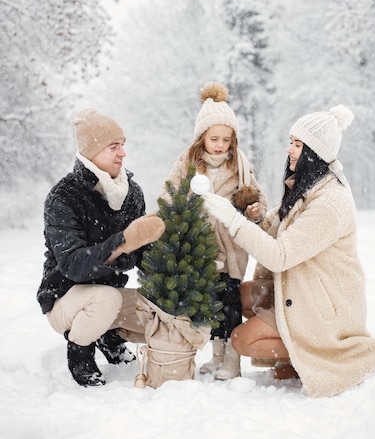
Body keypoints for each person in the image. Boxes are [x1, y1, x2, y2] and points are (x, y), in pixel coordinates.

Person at [202, 105, 375, 397]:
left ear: (314, 152)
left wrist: (230, 220)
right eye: (291, 142)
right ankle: (291, 347)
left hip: (322, 308)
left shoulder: (329, 204)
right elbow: (274, 228)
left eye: (297, 144)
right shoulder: (308, 187)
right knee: (236, 296)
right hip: (300, 290)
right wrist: (252, 219)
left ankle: (311, 355)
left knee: (241, 340)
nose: (289, 150)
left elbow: (280, 255)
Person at [37, 108, 165, 387]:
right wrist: (122, 243)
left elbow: (143, 255)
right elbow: (73, 266)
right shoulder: (64, 197)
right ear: (91, 152)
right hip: (65, 299)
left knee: (162, 310)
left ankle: (109, 335)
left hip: (111, 295)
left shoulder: (132, 194)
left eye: (123, 145)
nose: (123, 153)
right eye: (113, 147)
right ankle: (80, 352)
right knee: (105, 300)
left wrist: (166, 269)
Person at [160, 82, 268, 380]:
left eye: (226, 139)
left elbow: (256, 196)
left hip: (232, 245)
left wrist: (254, 210)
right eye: (214, 138)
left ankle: (233, 360)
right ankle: (217, 355)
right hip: (200, 244)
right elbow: (169, 193)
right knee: (209, 303)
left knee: (230, 300)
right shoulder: (188, 162)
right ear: (202, 138)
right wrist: (176, 216)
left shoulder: (240, 163)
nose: (220, 145)